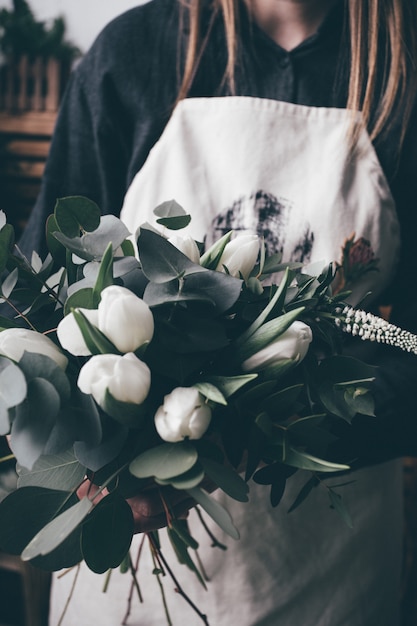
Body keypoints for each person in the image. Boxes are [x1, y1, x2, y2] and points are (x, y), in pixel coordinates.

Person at [18, 0, 417, 624]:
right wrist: (117, 447)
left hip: (333, 559)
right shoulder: (133, 54)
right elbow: (46, 309)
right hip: (135, 556)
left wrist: (261, 430)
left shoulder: (403, 60)